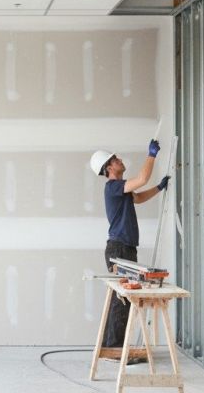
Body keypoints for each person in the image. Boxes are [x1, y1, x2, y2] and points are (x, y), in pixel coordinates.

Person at [89, 142, 170, 358]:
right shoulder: (113, 187)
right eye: (116, 160)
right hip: (119, 249)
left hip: (125, 249)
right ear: (108, 168)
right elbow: (142, 179)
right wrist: (151, 155)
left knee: (124, 299)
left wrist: (159, 188)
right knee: (122, 299)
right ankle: (114, 350)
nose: (120, 160)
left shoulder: (122, 190)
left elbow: (139, 197)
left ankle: (113, 348)